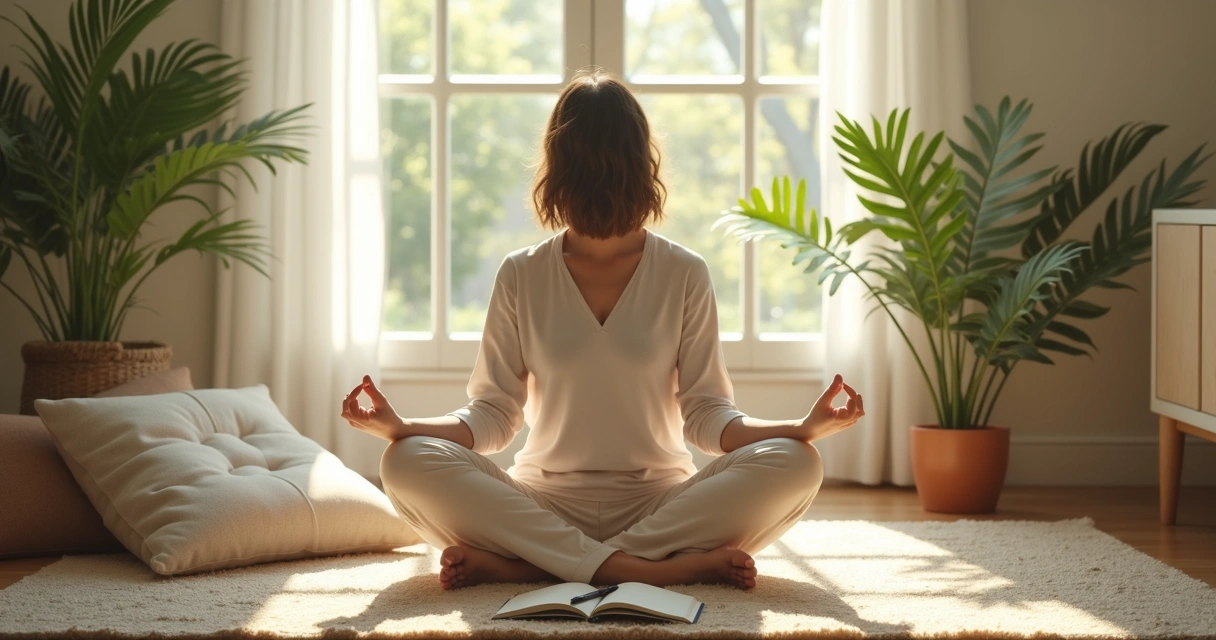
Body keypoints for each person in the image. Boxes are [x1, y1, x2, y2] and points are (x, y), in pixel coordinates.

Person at [342, 68, 864, 592]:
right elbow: (494, 415)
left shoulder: (684, 271)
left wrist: (801, 430)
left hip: (662, 505)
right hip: (542, 504)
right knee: (405, 459)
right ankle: (648, 570)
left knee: (797, 462)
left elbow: (707, 416)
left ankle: (532, 567)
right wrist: (402, 426)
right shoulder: (521, 273)